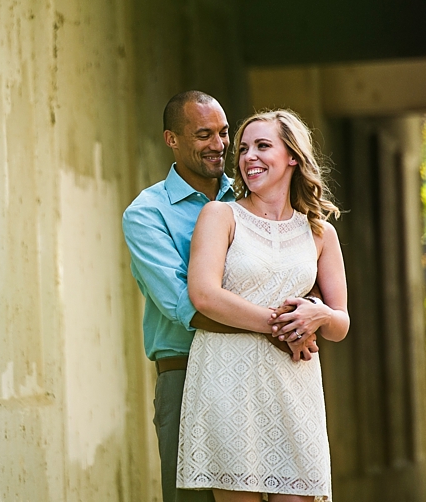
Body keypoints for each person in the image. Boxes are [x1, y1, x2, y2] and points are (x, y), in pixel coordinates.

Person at [122, 91, 318, 502]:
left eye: (224, 133)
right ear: (171, 139)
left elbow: (298, 267)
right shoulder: (147, 213)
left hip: (270, 374)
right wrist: (280, 326)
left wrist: (313, 311)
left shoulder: (257, 190)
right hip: (187, 368)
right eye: (203, 134)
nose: (219, 145)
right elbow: (187, 305)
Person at [177, 109, 350, 502]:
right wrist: (283, 327)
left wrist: (318, 313)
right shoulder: (221, 215)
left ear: (292, 156)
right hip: (227, 381)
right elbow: (203, 294)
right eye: (243, 149)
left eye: (262, 146)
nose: (248, 156)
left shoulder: (320, 232)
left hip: (294, 385)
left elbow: (340, 325)